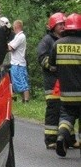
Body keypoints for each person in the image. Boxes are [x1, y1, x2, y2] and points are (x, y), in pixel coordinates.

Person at [50, 13, 81, 157]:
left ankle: (61, 136)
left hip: (66, 93)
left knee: (66, 118)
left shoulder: (57, 44)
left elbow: (52, 66)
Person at [36, 12, 66, 149]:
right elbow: (42, 58)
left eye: (64, 24)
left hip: (66, 82)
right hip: (52, 83)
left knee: (67, 111)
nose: (62, 26)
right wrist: (53, 65)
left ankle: (68, 138)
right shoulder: (47, 40)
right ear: (53, 26)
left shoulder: (67, 39)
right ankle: (50, 139)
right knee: (54, 110)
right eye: (60, 24)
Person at [7, 19, 29, 102]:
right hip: (16, 63)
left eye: (13, 26)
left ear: (16, 26)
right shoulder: (17, 36)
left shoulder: (21, 36)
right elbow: (10, 44)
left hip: (19, 63)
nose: (13, 28)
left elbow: (10, 47)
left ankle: (26, 100)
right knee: (16, 82)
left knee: (23, 82)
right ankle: (23, 98)